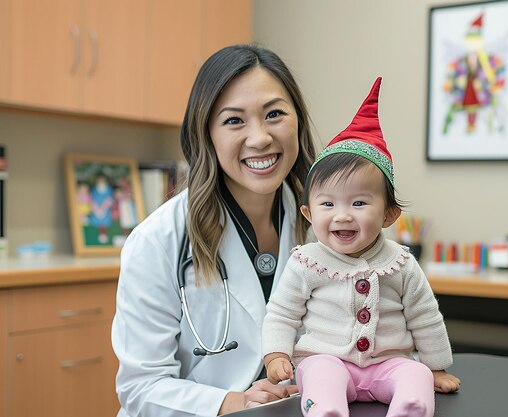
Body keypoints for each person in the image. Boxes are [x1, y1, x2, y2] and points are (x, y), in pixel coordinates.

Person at [111, 44, 317, 417]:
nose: (260, 138)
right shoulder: (158, 241)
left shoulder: (327, 224)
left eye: (274, 114)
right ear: (207, 134)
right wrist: (234, 403)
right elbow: (140, 388)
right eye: (234, 120)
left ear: (297, 120)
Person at [262, 77, 461, 417]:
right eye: (328, 205)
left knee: (416, 375)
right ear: (309, 214)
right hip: (327, 360)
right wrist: (276, 355)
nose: (342, 216)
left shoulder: (400, 263)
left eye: (358, 203)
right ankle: (327, 411)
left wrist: (436, 366)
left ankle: (409, 408)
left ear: (388, 214)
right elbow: (282, 313)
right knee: (321, 376)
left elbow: (425, 317)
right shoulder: (306, 262)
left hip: (388, 364)